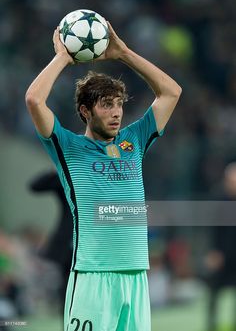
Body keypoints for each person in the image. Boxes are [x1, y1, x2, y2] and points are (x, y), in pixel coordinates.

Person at [25, 21, 182, 331]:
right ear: (85, 111)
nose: (116, 113)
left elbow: (171, 92)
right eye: (107, 105)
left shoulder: (133, 141)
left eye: (119, 105)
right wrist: (62, 57)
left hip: (136, 275)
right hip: (92, 276)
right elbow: (34, 100)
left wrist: (123, 53)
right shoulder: (68, 147)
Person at [29, 170, 73, 313]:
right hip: (67, 244)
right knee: (67, 290)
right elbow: (35, 186)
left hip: (95, 243)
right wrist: (59, 167)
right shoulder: (66, 175)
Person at [205, 163, 236, 331]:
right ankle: (211, 325)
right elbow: (214, 229)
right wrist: (213, 252)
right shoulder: (219, 199)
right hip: (222, 254)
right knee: (214, 293)